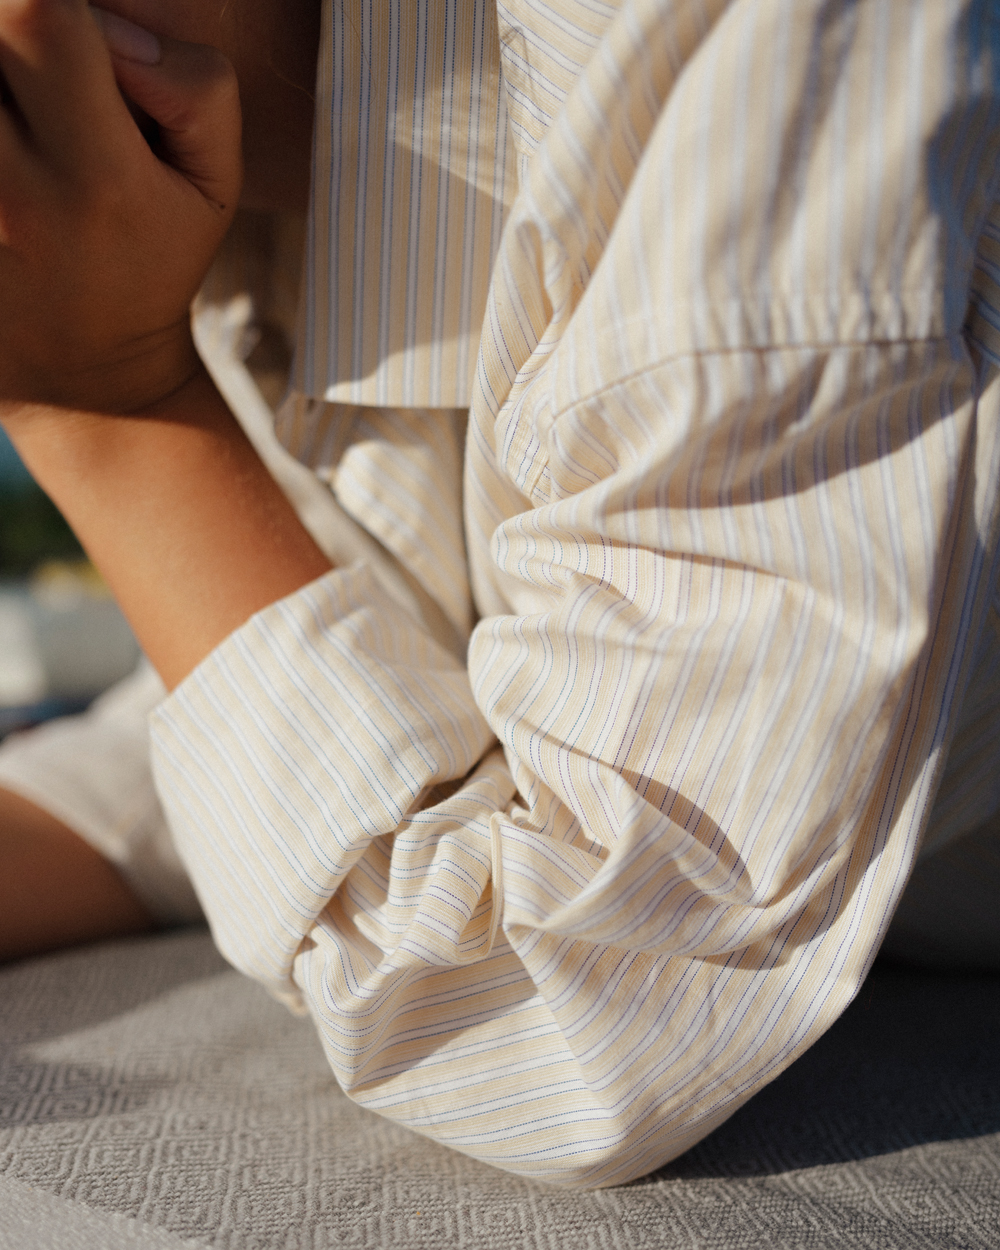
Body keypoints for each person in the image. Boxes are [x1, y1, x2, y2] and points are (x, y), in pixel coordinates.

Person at [0, 0, 998, 1188]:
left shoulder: (720, 35)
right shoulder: (226, 196)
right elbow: (335, 697)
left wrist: (106, 402)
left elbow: (588, 1008)